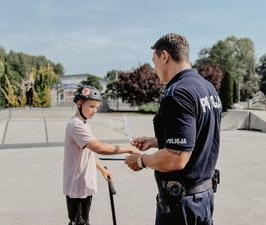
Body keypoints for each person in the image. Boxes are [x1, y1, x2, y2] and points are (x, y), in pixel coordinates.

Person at [125, 33, 222, 225]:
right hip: (204, 198)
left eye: (154, 62)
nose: (154, 70)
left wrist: (141, 161)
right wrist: (155, 141)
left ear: (164, 56)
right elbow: (199, 136)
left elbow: (176, 158)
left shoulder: (177, 93)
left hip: (181, 207)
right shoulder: (207, 88)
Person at [63, 85, 139, 225]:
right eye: (91, 106)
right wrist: (128, 149)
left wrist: (102, 169)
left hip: (83, 185)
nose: (94, 110)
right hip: (78, 186)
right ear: (79, 103)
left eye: (96, 107)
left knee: (83, 221)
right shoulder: (76, 125)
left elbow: (88, 153)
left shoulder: (83, 124)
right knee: (79, 222)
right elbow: (98, 148)